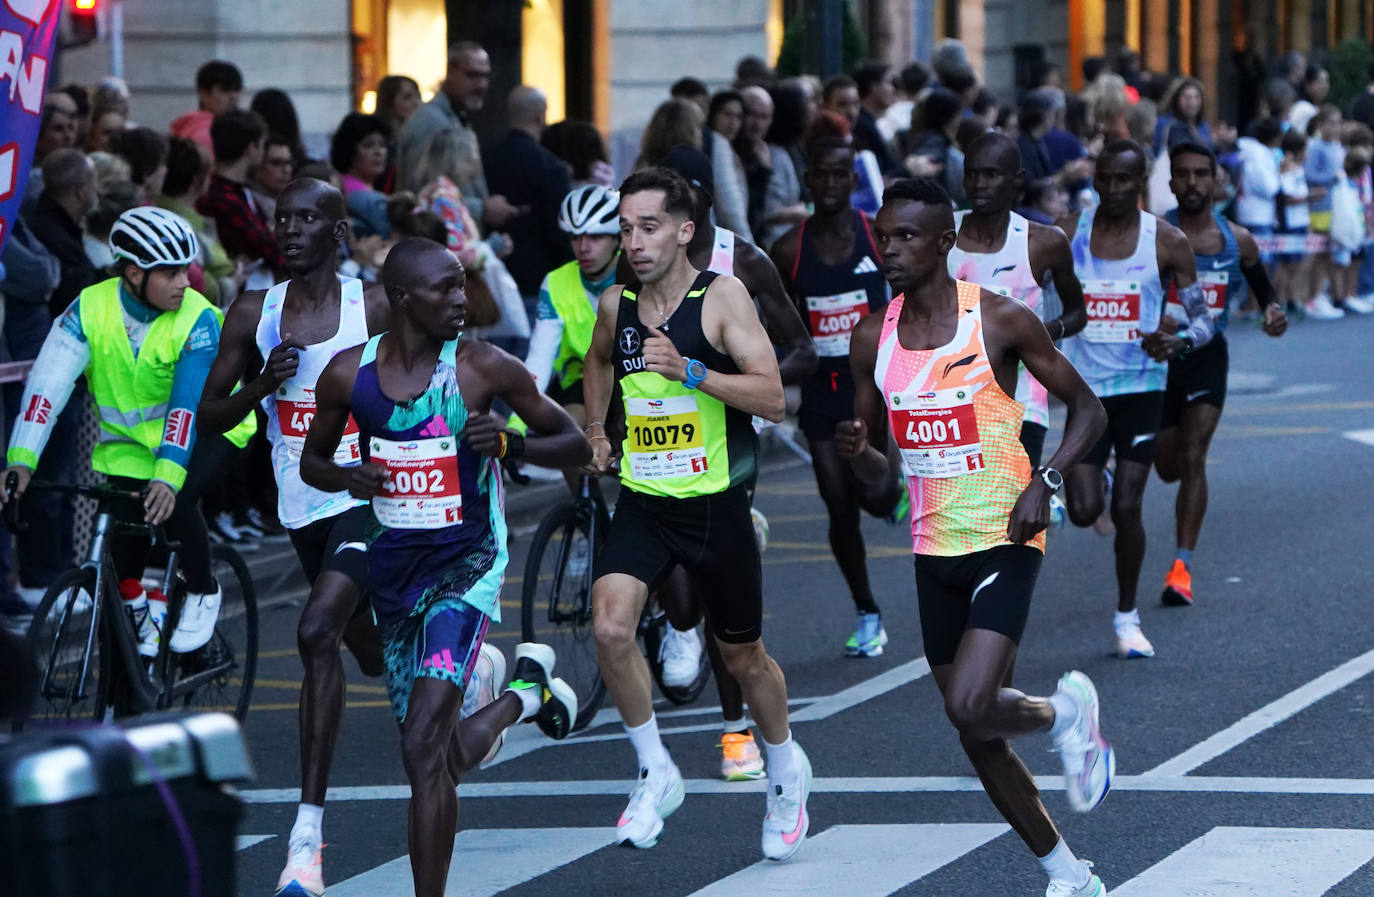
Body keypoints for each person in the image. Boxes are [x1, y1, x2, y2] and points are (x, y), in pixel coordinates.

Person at [838, 175, 1112, 897]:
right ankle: (1070, 873)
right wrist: (861, 453)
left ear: (944, 242)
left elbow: (1090, 412)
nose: (890, 250)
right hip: (933, 549)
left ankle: (1065, 715)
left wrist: (1045, 482)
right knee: (977, 733)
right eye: (883, 236)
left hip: (1005, 532)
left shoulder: (998, 320)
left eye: (905, 237)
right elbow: (880, 482)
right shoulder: (873, 336)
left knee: (967, 701)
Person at [300, 237, 586, 897]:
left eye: (463, 285)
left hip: (468, 565)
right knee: (435, 753)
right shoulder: (348, 374)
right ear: (402, 298)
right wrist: (348, 475)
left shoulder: (484, 367)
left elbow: (572, 440)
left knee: (423, 745)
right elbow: (313, 461)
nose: (462, 299)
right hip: (394, 569)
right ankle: (526, 696)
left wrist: (511, 440)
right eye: (445, 289)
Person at [583, 168, 811, 856]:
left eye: (648, 227)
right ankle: (656, 769)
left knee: (743, 657)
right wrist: (597, 430)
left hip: (715, 503)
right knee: (609, 624)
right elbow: (598, 364)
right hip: (646, 499)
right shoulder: (615, 304)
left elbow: (772, 397)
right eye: (625, 228)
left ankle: (784, 771)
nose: (634, 241)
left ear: (685, 231)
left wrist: (690, 371)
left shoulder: (722, 298)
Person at [197, 178, 393, 897]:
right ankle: (477, 673)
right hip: (300, 497)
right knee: (364, 649)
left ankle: (305, 839)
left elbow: (430, 378)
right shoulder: (254, 311)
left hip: (369, 492)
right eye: (282, 217)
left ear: (338, 230)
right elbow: (212, 412)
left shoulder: (370, 305)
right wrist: (261, 384)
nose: (290, 228)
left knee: (315, 632)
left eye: (308, 216)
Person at [624, 146, 816, 782]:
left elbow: (799, 353)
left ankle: (737, 733)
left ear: (697, 204)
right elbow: (606, 354)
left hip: (728, 450)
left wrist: (722, 380)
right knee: (677, 602)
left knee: (731, 631)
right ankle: (680, 626)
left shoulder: (741, 265)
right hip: (657, 464)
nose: (638, 235)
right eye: (631, 225)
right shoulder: (633, 279)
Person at [3, 208, 243, 653]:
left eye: (186, 270)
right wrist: (20, 460)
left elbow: (186, 408)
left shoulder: (199, 319)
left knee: (178, 498)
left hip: (214, 426)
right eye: (170, 273)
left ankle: (203, 590)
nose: (185, 283)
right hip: (135, 444)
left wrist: (169, 477)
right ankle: (139, 610)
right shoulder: (88, 309)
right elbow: (44, 389)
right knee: (113, 563)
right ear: (133, 273)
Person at [1057, 140, 1213, 659]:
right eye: (1107, 179)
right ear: (1095, 179)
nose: (1116, 189)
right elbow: (1022, 280)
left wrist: (1179, 341)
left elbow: (1204, 319)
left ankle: (1127, 619)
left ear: (1141, 182)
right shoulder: (1067, 233)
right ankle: (1093, 477)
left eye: (1127, 180)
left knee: (1128, 504)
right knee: (1082, 511)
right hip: (1084, 393)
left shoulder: (1166, 242)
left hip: (1142, 388)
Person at [770, 138, 901, 657]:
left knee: (874, 495)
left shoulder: (879, 236)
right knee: (837, 505)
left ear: (853, 180)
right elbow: (777, 321)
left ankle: (897, 490)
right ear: (809, 180)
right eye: (820, 175)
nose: (829, 185)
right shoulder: (788, 250)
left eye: (838, 176)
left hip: (873, 385)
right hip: (823, 392)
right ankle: (868, 611)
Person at [1156, 142, 1287, 607]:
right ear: (1171, 182)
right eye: (1183, 174)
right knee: (1167, 465)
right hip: (1157, 361)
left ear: (1216, 182)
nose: (1192, 183)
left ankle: (1181, 567)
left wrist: (1274, 312)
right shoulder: (1154, 234)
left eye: (1200, 174)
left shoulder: (1237, 240)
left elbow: (1265, 290)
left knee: (1193, 457)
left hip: (1208, 358)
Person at [947, 131, 1088, 472]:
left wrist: (1043, 333)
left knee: (1012, 513)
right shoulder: (941, 235)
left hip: (1022, 399)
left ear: (1017, 180)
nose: (979, 183)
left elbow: (1077, 312)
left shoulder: (1044, 242)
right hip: (951, 397)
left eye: (991, 174)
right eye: (972, 173)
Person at [522, 185, 621, 436]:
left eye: (595, 237)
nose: (583, 247)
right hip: (583, 377)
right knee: (567, 432)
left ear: (618, 238)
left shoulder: (638, 272)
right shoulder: (555, 282)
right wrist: (516, 425)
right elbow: (540, 358)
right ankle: (580, 476)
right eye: (575, 237)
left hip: (635, 375)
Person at [397, 41, 516, 233]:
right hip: (440, 247)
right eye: (473, 75)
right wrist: (482, 209)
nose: (482, 85)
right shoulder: (431, 122)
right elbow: (421, 198)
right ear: (450, 71)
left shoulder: (452, 116)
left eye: (486, 76)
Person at [484, 86, 576, 331]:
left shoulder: (487, 157)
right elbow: (560, 230)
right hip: (538, 279)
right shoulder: (549, 166)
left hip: (492, 277)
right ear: (540, 115)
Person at [197, 109, 284, 274]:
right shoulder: (226, 200)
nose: (263, 152)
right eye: (262, 145)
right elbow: (267, 249)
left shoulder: (233, 191)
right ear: (252, 148)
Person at [332, 112, 393, 238]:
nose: (378, 152)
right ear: (350, 152)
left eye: (382, 145)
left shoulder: (371, 189)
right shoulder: (351, 193)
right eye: (368, 145)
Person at [171, 60, 243, 152]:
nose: (234, 96)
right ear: (204, 95)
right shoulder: (205, 135)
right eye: (225, 90)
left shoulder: (191, 127)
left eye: (237, 89)